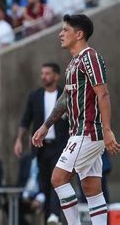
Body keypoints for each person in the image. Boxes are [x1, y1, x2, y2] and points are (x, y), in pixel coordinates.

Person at [32, 14, 120, 225]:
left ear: (79, 34)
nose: (60, 34)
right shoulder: (74, 62)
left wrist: (107, 130)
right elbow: (66, 97)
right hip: (81, 131)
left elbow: (104, 94)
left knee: (57, 178)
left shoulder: (90, 57)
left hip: (87, 131)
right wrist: (46, 125)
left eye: (65, 30)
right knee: (91, 188)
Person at [14, 63, 69, 224]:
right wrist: (19, 139)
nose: (43, 76)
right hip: (41, 147)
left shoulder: (63, 94)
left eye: (47, 73)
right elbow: (26, 119)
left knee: (57, 180)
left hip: (60, 145)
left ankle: (54, 215)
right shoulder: (35, 96)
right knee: (44, 182)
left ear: (56, 76)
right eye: (42, 73)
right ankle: (49, 218)